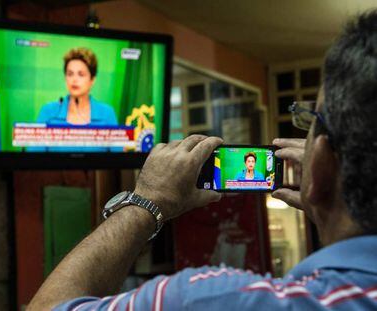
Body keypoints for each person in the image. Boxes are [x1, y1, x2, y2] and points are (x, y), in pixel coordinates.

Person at [27, 11, 377, 310]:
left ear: (324, 164)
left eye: (310, 122)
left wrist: (146, 201)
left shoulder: (210, 299)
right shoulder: (49, 111)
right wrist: (332, 205)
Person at [27, 47, 118, 152]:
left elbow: (117, 162)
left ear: (92, 80)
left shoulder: (107, 113)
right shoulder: (48, 112)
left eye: (81, 74)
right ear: (65, 78)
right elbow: (34, 159)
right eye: (70, 74)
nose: (74, 80)